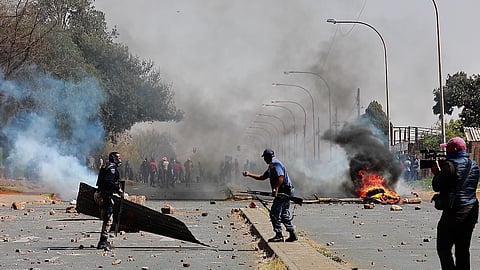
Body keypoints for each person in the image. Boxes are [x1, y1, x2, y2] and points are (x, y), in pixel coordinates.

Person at [431, 137, 479, 269]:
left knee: (443, 247)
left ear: (452, 151)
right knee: (463, 249)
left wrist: (436, 173)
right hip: (471, 210)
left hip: (454, 212)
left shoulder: (449, 166)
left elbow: (437, 186)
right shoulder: (474, 165)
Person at [242, 148, 298, 242]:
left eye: (265, 157)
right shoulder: (271, 165)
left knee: (274, 213)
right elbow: (262, 177)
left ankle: (279, 235)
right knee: (284, 213)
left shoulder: (275, 164)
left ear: (268, 157)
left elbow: (281, 177)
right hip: (286, 190)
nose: (264, 160)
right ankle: (292, 233)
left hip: (284, 191)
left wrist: (275, 188)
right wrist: (249, 174)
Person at [94, 151, 123, 251]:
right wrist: (118, 189)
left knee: (107, 218)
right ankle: (103, 241)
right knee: (108, 218)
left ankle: (103, 240)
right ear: (113, 158)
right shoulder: (112, 169)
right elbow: (108, 181)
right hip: (104, 195)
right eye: (118, 158)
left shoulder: (106, 166)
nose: (120, 159)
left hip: (101, 194)